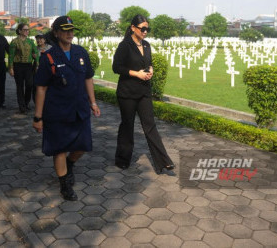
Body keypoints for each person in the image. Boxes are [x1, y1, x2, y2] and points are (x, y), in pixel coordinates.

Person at [33, 16, 101, 201]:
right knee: (60, 149)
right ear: (56, 33)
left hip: (80, 109)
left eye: (71, 30)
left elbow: (88, 78)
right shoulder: (48, 57)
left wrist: (93, 103)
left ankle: (70, 164)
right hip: (57, 111)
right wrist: (38, 117)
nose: (70, 33)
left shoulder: (81, 53)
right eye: (65, 30)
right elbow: (41, 87)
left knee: (83, 146)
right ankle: (65, 185)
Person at [112, 14, 174, 174]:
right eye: (143, 28)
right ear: (133, 28)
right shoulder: (125, 45)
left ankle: (164, 161)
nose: (145, 32)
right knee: (127, 126)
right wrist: (136, 73)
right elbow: (116, 67)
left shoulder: (146, 45)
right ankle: (122, 160)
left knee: (150, 125)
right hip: (127, 92)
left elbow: (149, 62)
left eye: (148, 29)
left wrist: (150, 69)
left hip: (144, 91)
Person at [8, 23, 38, 114]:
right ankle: (22, 106)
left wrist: (37, 63)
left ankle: (26, 102)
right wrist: (11, 68)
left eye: (28, 30)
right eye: (25, 30)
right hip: (18, 66)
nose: (27, 31)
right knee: (20, 86)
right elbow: (11, 56)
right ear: (20, 31)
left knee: (30, 85)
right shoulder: (14, 42)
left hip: (28, 66)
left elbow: (35, 53)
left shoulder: (30, 41)